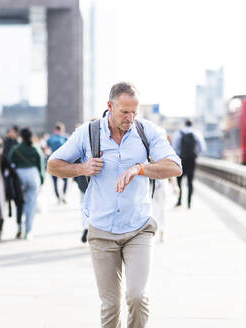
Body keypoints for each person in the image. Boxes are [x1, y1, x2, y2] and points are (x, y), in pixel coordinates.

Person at [48, 82, 182, 327]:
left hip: (138, 228)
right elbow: (53, 164)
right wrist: (82, 168)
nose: (130, 118)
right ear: (110, 106)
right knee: (110, 305)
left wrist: (140, 168)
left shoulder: (147, 131)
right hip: (101, 230)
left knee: (138, 296)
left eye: (134, 111)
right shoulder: (88, 133)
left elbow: (175, 166)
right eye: (124, 112)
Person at [10, 128, 45, 240]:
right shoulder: (36, 148)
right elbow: (41, 166)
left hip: (19, 176)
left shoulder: (16, 149)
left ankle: (20, 226)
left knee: (19, 203)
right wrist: (41, 180)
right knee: (31, 204)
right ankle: (29, 231)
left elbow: (11, 163)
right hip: (33, 175)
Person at [172, 119, 206, 209]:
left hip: (181, 159)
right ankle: (189, 203)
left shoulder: (178, 133)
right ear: (192, 124)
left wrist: (179, 155)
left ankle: (179, 201)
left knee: (179, 180)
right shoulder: (196, 133)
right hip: (192, 160)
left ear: (184, 124)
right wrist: (195, 154)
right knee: (190, 182)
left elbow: (174, 147)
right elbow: (202, 148)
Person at [46, 122, 68, 204]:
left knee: (54, 181)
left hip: (53, 161)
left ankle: (58, 197)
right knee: (65, 180)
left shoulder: (50, 138)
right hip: (63, 161)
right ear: (62, 129)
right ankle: (63, 195)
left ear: (55, 129)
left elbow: (46, 148)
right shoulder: (65, 137)